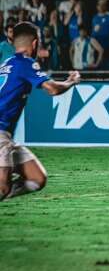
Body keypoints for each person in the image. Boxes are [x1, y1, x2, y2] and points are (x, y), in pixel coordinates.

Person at [0, 22, 81, 201]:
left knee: (37, 178)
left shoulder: (7, 64)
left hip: (5, 136)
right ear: (35, 43)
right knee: (2, 188)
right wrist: (71, 81)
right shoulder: (25, 62)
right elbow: (51, 88)